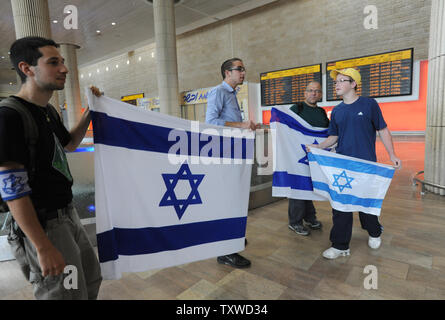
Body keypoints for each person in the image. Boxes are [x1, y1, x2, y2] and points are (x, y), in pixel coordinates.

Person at [0, 36, 102, 299]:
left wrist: (90, 111)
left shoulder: (48, 111)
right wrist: (42, 246)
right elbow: (13, 190)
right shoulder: (9, 116)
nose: (65, 69)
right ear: (27, 68)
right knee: (64, 293)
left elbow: (69, 144)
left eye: (63, 62)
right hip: (44, 224)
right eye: (53, 62)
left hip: (68, 215)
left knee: (90, 280)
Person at [307, 68, 401, 259]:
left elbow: (382, 130)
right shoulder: (337, 111)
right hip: (343, 165)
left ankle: (374, 231)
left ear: (354, 84)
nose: (337, 85)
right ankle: (340, 245)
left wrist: (392, 154)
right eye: (336, 82)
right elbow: (333, 136)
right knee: (340, 206)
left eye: (342, 80)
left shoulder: (369, 104)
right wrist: (318, 147)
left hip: (366, 166)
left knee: (366, 205)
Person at [206, 58, 260, 268]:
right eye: (239, 69)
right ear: (227, 73)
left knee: (235, 199)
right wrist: (240, 124)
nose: (243, 73)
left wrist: (245, 126)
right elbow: (210, 122)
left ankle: (231, 238)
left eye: (244, 69)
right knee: (228, 201)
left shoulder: (232, 94)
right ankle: (226, 252)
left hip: (234, 152)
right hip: (225, 154)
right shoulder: (218, 92)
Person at [288, 81, 329, 236]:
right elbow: (286, 128)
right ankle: (295, 222)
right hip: (297, 155)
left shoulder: (322, 112)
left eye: (317, 91)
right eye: (310, 90)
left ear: (320, 94)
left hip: (315, 155)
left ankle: (310, 217)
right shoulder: (296, 108)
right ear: (305, 93)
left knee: (310, 186)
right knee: (299, 186)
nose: (313, 93)